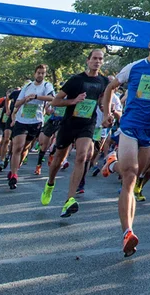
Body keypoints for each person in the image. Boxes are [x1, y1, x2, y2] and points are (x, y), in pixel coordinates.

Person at [101, 30, 150, 257]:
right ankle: (128, 232)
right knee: (130, 175)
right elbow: (110, 88)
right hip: (130, 126)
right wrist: (107, 113)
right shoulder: (134, 67)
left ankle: (111, 163)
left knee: (137, 174)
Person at [42, 49, 110, 216]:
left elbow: (101, 100)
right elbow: (56, 101)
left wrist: (106, 112)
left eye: (100, 59)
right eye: (94, 58)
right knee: (58, 159)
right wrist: (74, 100)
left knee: (82, 156)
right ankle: (50, 184)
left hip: (87, 123)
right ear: (88, 61)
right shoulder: (76, 80)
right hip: (69, 123)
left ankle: (70, 200)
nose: (97, 61)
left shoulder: (104, 81)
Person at [6, 64, 56, 190]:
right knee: (17, 147)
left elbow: (52, 98)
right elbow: (17, 103)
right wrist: (25, 99)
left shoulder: (47, 85)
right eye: (38, 72)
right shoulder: (27, 86)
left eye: (43, 73)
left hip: (36, 121)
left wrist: (36, 97)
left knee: (25, 148)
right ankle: (13, 175)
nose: (40, 75)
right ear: (35, 74)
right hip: (22, 120)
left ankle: (16, 167)